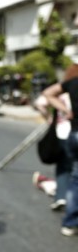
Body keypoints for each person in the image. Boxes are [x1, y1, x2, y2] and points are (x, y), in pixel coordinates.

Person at [41, 64, 78, 237]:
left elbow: (48, 93)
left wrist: (65, 110)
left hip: (74, 134)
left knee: (74, 177)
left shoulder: (72, 82)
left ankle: (70, 222)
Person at [33, 86, 74, 209]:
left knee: (63, 167)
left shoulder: (62, 89)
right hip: (72, 133)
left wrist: (49, 118)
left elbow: (40, 103)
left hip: (61, 132)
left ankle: (61, 197)